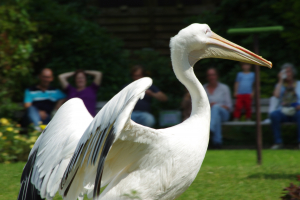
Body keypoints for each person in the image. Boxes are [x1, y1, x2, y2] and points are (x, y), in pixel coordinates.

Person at [270, 63, 300, 149]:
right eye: (285, 72)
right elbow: (276, 95)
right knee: (274, 115)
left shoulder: (299, 84)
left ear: (293, 73)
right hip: (283, 111)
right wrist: (280, 80)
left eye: (289, 71)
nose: (287, 74)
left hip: (297, 111)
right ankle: (278, 142)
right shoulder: (280, 85)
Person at [204, 68, 232, 148]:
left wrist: (217, 105)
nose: (211, 77)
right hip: (208, 116)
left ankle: (210, 129)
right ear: (207, 77)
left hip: (225, 114)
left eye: (213, 75)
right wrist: (209, 105)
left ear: (217, 76)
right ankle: (217, 143)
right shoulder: (203, 88)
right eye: (209, 75)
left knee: (216, 108)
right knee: (217, 117)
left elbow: (229, 106)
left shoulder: (224, 88)